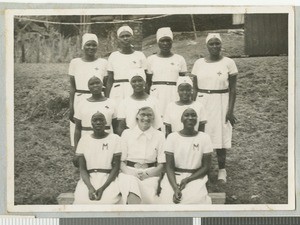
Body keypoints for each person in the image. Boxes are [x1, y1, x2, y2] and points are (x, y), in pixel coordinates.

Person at [191, 33, 238, 183]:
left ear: (221, 45)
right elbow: (195, 88)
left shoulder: (228, 63)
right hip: (202, 101)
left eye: (217, 43)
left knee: (220, 135)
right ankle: (201, 169)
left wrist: (230, 110)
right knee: (201, 134)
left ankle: (222, 170)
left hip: (221, 101)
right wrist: (192, 107)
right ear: (207, 46)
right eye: (211, 44)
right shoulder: (199, 63)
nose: (214, 46)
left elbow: (233, 89)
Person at [158, 108, 212, 204]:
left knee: (194, 200)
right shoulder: (172, 137)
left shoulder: (204, 138)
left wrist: (188, 179)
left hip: (195, 177)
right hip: (174, 177)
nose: (190, 118)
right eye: (186, 115)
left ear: (197, 119)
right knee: (167, 200)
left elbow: (206, 167)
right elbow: (169, 167)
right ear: (181, 119)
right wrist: (175, 188)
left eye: (193, 115)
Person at [118, 107, 165, 204]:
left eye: (149, 115)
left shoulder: (160, 136)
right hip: (129, 172)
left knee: (151, 198)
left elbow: (162, 164)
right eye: (143, 114)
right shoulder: (126, 134)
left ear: (153, 118)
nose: (146, 118)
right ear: (136, 117)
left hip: (151, 174)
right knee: (131, 183)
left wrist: (147, 174)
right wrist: (131, 173)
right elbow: (121, 162)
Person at [73, 112, 121, 204]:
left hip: (108, 179)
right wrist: (90, 187)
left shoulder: (115, 139)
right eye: (95, 120)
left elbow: (116, 167)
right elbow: (82, 169)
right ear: (91, 123)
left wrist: (103, 188)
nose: (98, 122)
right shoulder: (84, 140)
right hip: (89, 179)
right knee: (81, 201)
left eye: (101, 120)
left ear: (106, 122)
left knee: (108, 201)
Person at [69, 33, 108, 147]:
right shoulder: (75, 62)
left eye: (94, 45)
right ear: (83, 46)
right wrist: (71, 107)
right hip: (80, 99)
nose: (91, 47)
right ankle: (79, 153)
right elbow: (72, 86)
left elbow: (105, 84)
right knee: (80, 128)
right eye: (88, 45)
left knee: (97, 126)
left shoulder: (103, 63)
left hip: (98, 99)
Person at [146, 27, 187, 115]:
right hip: (157, 93)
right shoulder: (150, 59)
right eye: (162, 41)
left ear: (172, 42)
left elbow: (183, 82)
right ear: (158, 42)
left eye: (168, 40)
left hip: (174, 93)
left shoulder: (179, 59)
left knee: (174, 116)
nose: (165, 43)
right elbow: (148, 82)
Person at [105, 25, 147, 106]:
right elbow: (109, 80)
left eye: (127, 36)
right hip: (117, 91)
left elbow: (146, 80)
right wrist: (107, 100)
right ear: (118, 39)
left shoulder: (140, 55)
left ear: (132, 37)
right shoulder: (113, 56)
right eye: (122, 36)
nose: (125, 38)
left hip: (135, 90)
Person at [74, 76, 117, 150]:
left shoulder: (111, 102)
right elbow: (77, 128)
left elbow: (116, 127)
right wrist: (76, 149)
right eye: (92, 84)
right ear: (88, 87)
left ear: (102, 85)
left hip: (106, 141)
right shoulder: (81, 103)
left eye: (97, 83)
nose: (95, 85)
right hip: (86, 140)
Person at [117, 69, 163, 135]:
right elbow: (121, 127)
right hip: (131, 139)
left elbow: (157, 125)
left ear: (144, 82)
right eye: (134, 81)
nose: (137, 83)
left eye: (140, 81)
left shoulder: (154, 101)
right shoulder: (124, 102)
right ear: (130, 83)